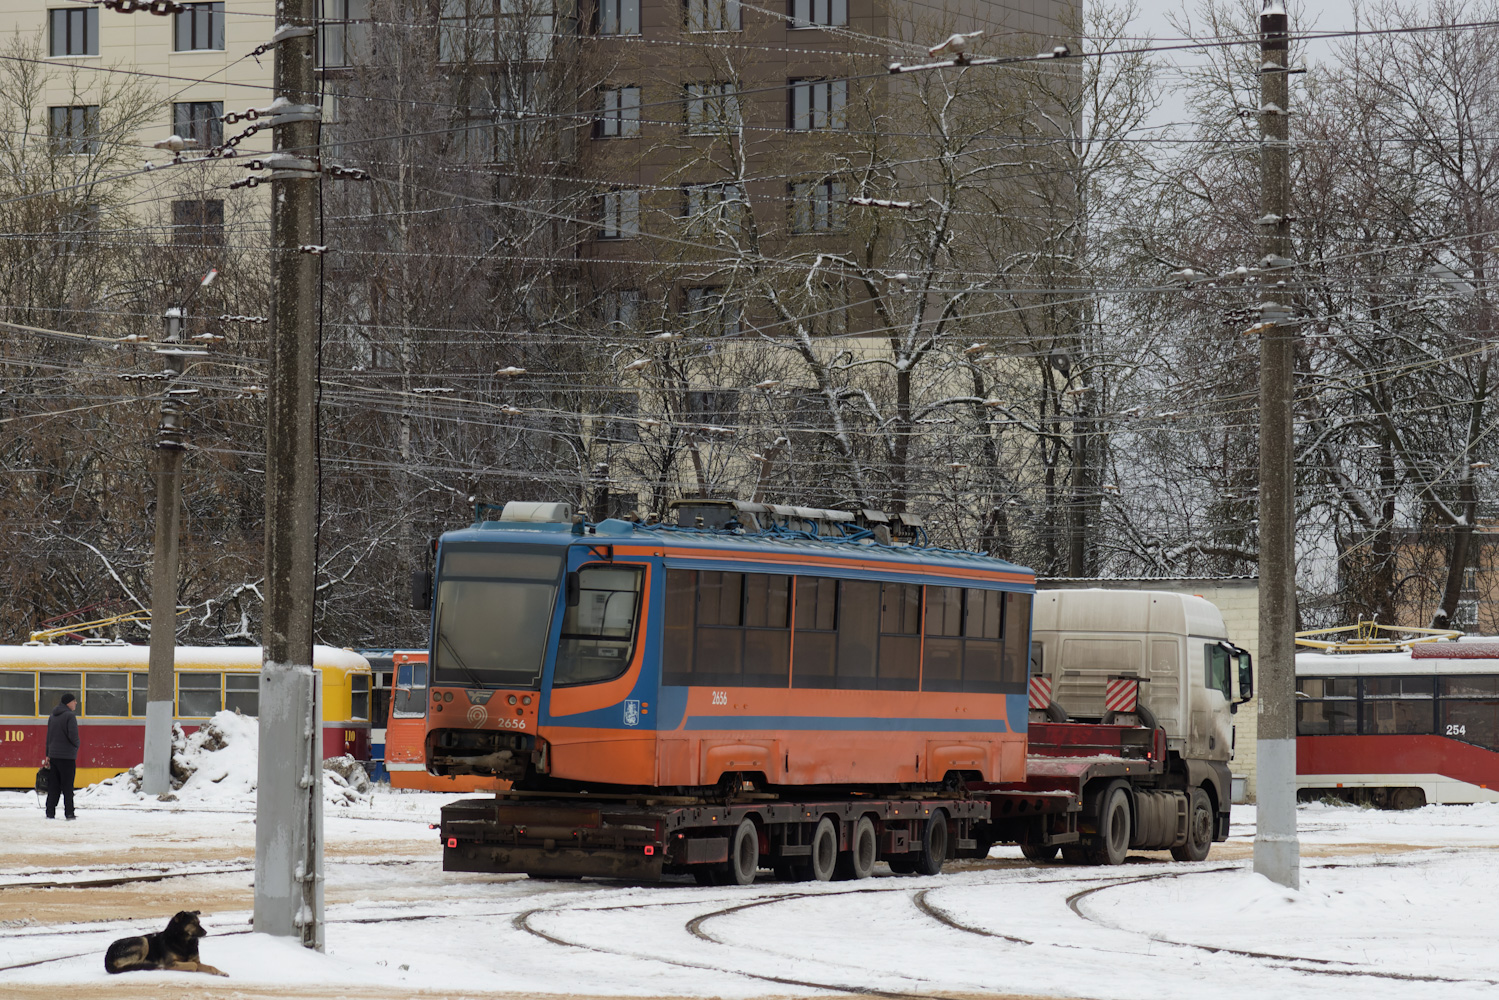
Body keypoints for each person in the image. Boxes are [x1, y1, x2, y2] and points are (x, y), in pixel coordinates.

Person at [44, 692, 80, 820]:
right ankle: (69, 813)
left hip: (54, 756)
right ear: (68, 702)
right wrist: (76, 746)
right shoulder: (70, 716)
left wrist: (48, 754)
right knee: (67, 787)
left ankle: (50, 812)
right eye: (74, 701)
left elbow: (48, 737)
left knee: (54, 786)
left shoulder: (53, 716)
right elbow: (73, 736)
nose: (76, 703)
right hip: (67, 757)